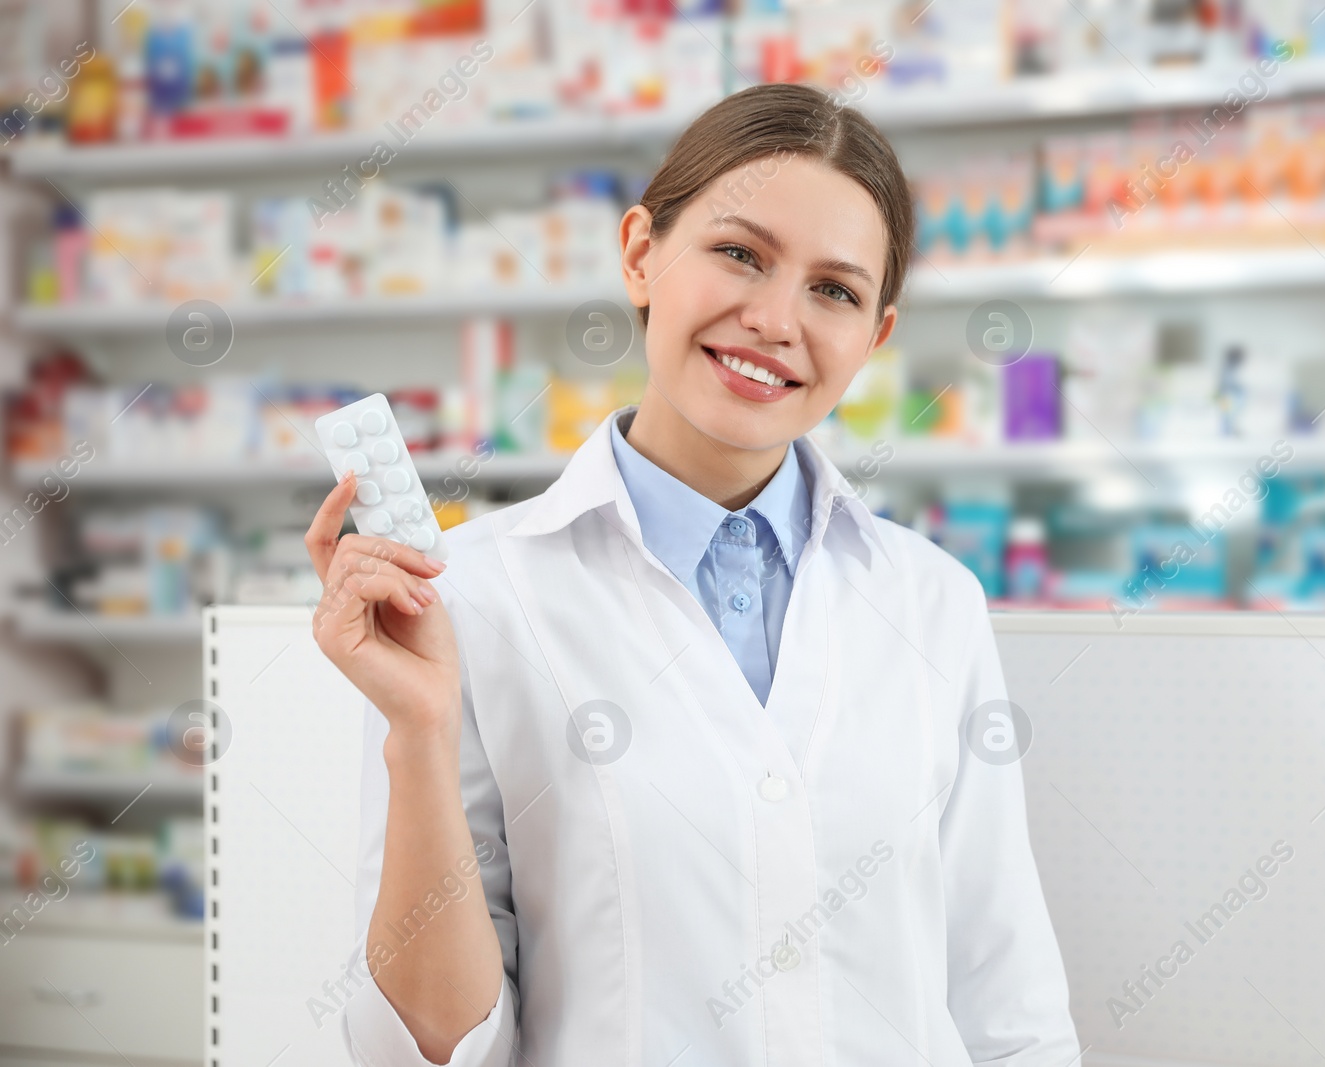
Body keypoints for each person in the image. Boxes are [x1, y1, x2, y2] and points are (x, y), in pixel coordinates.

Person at [305, 82, 1080, 1067]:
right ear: (640, 253)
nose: (773, 317)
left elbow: (1005, 993)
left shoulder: (933, 602)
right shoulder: (471, 598)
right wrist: (417, 733)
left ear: (873, 338)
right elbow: (432, 1045)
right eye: (738, 253)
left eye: (834, 290)